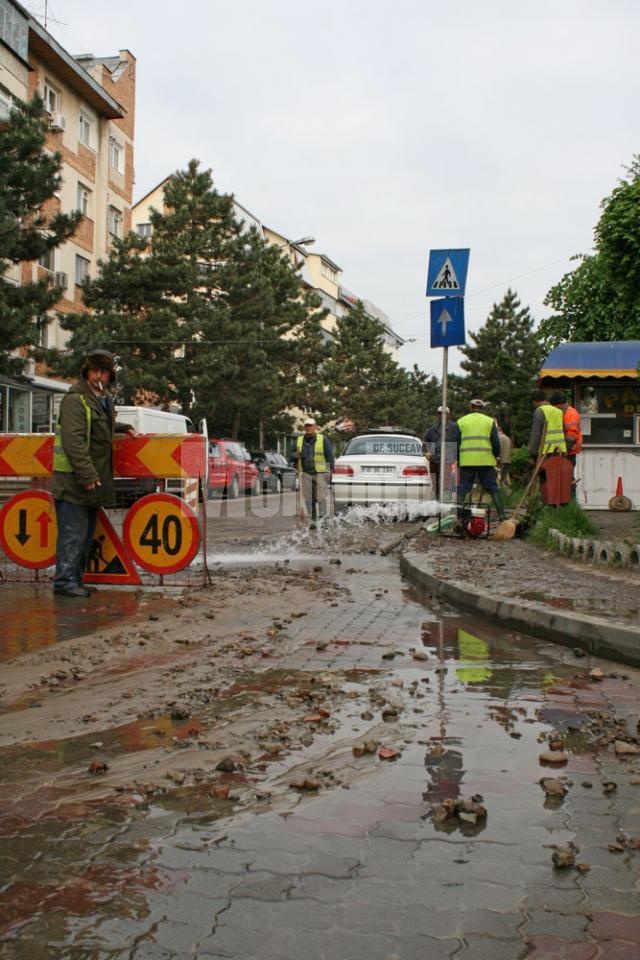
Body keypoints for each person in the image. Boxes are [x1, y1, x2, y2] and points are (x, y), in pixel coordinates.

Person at [52, 349, 134, 597]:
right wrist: (87, 475)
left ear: (110, 375)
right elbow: (73, 440)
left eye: (104, 372)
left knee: (85, 536)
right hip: (74, 482)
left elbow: (98, 427)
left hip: (92, 481)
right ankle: (65, 582)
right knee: (73, 535)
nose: (99, 376)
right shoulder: (76, 400)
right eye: (94, 371)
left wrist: (121, 427)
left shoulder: (102, 399)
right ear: (87, 372)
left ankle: (75, 579)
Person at [453, 398, 505, 520]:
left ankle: (458, 515)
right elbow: (495, 442)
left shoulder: (461, 421)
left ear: (470, 407)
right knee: (492, 487)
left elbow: (456, 442)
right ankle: (502, 515)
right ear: (482, 408)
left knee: (463, 487)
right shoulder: (489, 421)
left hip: (467, 461)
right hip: (485, 461)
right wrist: (496, 455)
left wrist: (457, 458)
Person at [291, 418, 335, 525]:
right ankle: (314, 522)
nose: (308, 428)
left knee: (320, 498)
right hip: (305, 473)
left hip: (321, 472)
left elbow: (330, 456)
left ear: (315, 427)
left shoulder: (322, 439)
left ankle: (323, 522)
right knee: (309, 499)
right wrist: (295, 456)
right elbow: (291, 455)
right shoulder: (298, 441)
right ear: (304, 428)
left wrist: (331, 471)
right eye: (306, 426)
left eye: (310, 426)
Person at [422, 406, 457, 500]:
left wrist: (456, 458)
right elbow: (426, 443)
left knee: (446, 486)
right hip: (434, 462)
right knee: (436, 485)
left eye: (444, 413)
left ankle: (445, 504)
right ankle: (437, 504)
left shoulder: (454, 428)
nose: (442, 415)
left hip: (447, 462)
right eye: (440, 413)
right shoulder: (433, 429)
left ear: (449, 415)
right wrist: (426, 452)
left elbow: (459, 443)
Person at [551, 391, 582, 498]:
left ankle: (570, 502)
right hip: (568, 451)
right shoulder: (566, 413)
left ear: (558, 404)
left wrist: (565, 451)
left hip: (569, 451)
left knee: (568, 479)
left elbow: (572, 436)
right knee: (565, 478)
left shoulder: (570, 414)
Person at [528, 390, 567, 461]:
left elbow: (536, 434)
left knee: (546, 472)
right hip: (560, 451)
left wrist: (533, 453)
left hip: (546, 453)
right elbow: (564, 431)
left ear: (534, 401)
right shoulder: (559, 412)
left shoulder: (539, 411)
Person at [495, 421, 512, 489]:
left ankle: (501, 492)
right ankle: (506, 492)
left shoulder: (498, 438)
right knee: (504, 479)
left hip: (501, 460)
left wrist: (497, 458)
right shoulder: (508, 438)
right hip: (508, 460)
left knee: (498, 478)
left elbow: (499, 449)